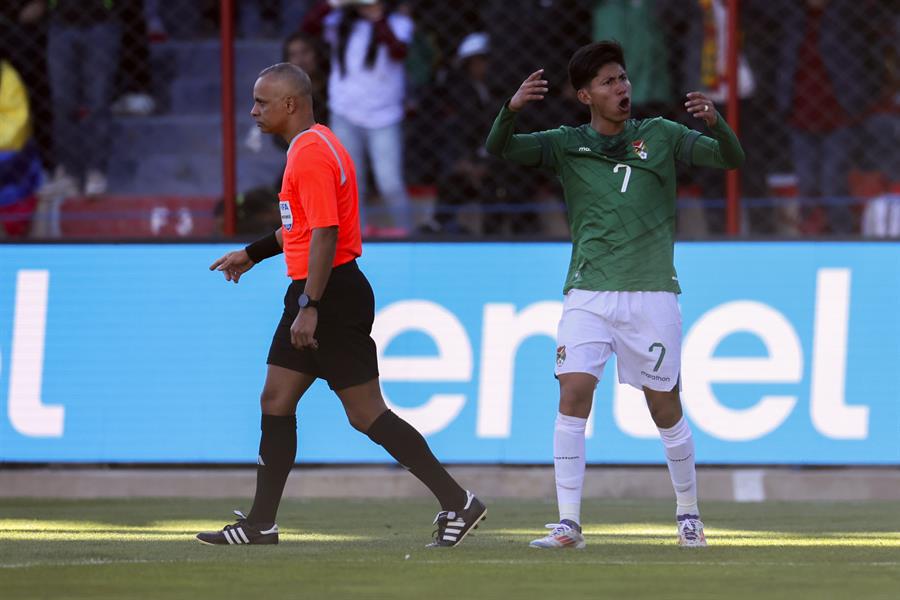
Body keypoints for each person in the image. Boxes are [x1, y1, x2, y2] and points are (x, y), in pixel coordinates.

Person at [196, 62, 485, 547]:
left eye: (262, 102)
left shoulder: (307, 156)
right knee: (276, 399)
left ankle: (458, 502)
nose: (253, 111)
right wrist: (252, 253)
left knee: (366, 413)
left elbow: (326, 233)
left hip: (327, 291)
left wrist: (310, 302)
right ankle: (260, 524)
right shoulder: (321, 142)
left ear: (290, 103)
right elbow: (302, 227)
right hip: (321, 287)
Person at [485, 41, 744, 549]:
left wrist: (716, 122)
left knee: (664, 405)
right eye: (608, 82)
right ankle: (568, 523)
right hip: (587, 291)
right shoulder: (565, 143)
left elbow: (729, 160)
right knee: (573, 393)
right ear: (586, 95)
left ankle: (688, 513)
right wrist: (511, 110)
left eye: (623, 78)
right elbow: (502, 148)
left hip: (651, 293)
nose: (622, 88)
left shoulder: (662, 135)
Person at [302, 0, 414, 234]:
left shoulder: (398, 23)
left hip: (384, 115)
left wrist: (377, 16)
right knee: (351, 183)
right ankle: (356, 235)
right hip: (345, 112)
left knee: (390, 183)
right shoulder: (340, 22)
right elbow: (308, 27)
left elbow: (398, 51)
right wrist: (337, 3)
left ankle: (408, 234)